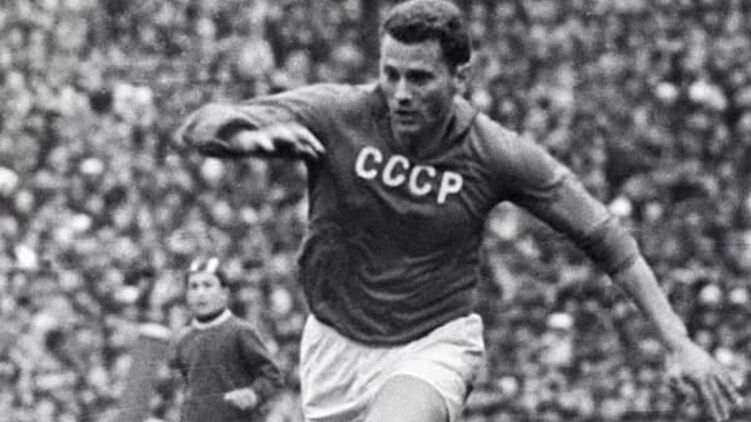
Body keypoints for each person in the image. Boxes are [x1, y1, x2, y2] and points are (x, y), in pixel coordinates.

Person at [176, 1, 743, 421]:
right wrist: (240, 137)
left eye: (420, 78)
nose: (401, 92)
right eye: (390, 74)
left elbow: (607, 238)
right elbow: (200, 125)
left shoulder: (493, 152)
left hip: (431, 343)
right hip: (332, 346)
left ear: (459, 77)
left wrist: (679, 342)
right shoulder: (338, 113)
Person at [168, 257, 284, 422]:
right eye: (194, 286)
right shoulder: (184, 339)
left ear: (224, 293)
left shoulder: (240, 331)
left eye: (208, 285)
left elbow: (273, 376)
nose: (200, 293)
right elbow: (184, 387)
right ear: (187, 295)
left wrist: (254, 394)